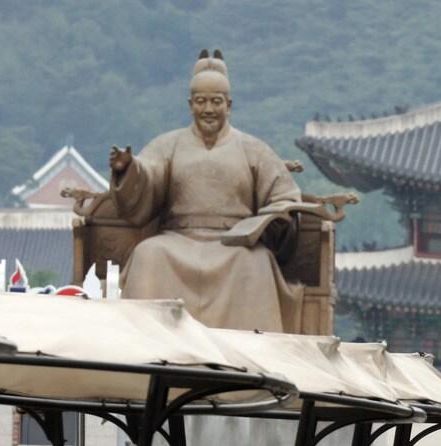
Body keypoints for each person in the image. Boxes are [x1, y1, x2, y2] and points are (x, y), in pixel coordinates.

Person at [107, 50, 303, 331]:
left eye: (216, 102)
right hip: (177, 240)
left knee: (258, 262)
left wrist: (276, 216)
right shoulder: (169, 144)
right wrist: (129, 169)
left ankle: (253, 349)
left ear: (229, 105)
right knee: (148, 254)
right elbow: (148, 174)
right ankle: (146, 339)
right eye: (201, 102)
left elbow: (283, 194)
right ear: (190, 105)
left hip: (234, 246)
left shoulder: (253, 149)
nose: (208, 109)